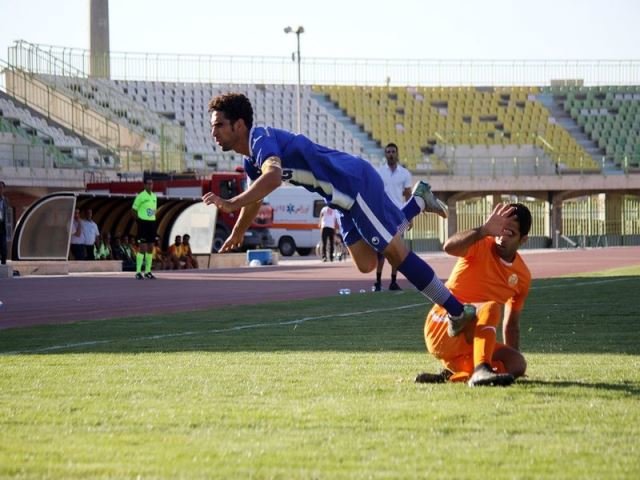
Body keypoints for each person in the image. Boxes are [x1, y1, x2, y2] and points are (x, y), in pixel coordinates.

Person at [202, 92, 476, 328]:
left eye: (219, 125)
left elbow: (272, 177)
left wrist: (231, 202)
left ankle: (457, 310)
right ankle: (418, 202)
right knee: (366, 263)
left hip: (352, 184)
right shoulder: (251, 159)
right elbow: (255, 198)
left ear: (239, 125)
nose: (213, 132)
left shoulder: (261, 138)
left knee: (396, 254)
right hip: (341, 201)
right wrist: (238, 231)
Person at [415, 203, 532, 387]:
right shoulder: (480, 244)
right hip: (443, 324)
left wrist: (512, 358)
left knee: (517, 364)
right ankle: (480, 370)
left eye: (510, 233)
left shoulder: (522, 276)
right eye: (500, 229)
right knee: (491, 307)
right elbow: (449, 247)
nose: (501, 237)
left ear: (523, 240)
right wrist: (483, 230)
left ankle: (454, 373)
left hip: (469, 338)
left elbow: (511, 326)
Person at [374, 142, 412, 291]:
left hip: (399, 215)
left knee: (396, 249)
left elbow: (408, 195)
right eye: (388, 152)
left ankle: (393, 281)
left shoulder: (405, 173)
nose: (391, 154)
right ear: (385, 154)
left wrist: (410, 217)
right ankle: (377, 281)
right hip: (383, 215)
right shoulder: (379, 172)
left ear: (397, 154)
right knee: (381, 250)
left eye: (393, 152)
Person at [131, 178, 158, 279]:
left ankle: (148, 271)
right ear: (145, 185)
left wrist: (152, 216)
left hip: (152, 223)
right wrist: (139, 221)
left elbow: (153, 210)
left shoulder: (154, 196)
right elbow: (133, 210)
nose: (150, 185)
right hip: (143, 224)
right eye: (148, 184)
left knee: (151, 248)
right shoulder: (140, 196)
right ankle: (138, 272)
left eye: (152, 183)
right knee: (142, 248)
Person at [0, 181, 11, 265]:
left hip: (2, 228)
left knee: (4, 249)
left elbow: (6, 213)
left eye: (2, 188)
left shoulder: (5, 200)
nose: (1, 189)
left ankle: (3, 266)